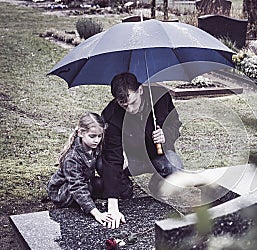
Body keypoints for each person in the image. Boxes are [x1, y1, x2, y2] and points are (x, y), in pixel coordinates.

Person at [101, 72, 183, 229]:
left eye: (132, 102)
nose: (130, 109)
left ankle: (156, 187)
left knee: (175, 167)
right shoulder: (111, 115)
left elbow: (175, 123)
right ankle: (124, 190)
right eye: (123, 105)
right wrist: (112, 207)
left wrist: (166, 135)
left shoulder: (161, 97)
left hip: (157, 155)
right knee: (102, 165)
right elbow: (112, 158)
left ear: (140, 90)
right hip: (131, 159)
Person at [47, 112, 113, 226]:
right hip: (63, 192)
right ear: (81, 133)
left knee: (100, 183)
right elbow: (77, 186)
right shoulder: (72, 158)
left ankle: (85, 202)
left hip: (84, 181)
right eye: (92, 136)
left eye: (99, 136)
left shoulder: (95, 146)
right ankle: (81, 205)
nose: (97, 140)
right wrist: (96, 213)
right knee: (86, 188)